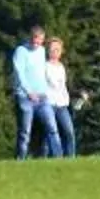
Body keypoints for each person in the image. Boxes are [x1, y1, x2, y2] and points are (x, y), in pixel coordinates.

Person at [11, 27, 58, 159]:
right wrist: (29, 92)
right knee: (25, 131)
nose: (36, 44)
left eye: (39, 41)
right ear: (30, 38)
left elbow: (41, 72)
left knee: (52, 127)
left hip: (42, 97)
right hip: (25, 97)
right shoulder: (21, 51)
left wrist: (46, 90)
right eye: (34, 40)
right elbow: (19, 73)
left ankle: (58, 157)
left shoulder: (42, 51)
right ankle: (21, 158)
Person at [44, 33, 80, 158]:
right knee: (51, 133)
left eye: (58, 49)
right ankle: (53, 158)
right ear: (48, 50)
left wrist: (79, 93)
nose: (55, 52)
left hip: (62, 104)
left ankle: (71, 157)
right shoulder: (44, 66)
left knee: (69, 132)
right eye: (52, 49)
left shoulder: (62, 67)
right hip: (48, 104)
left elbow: (66, 87)